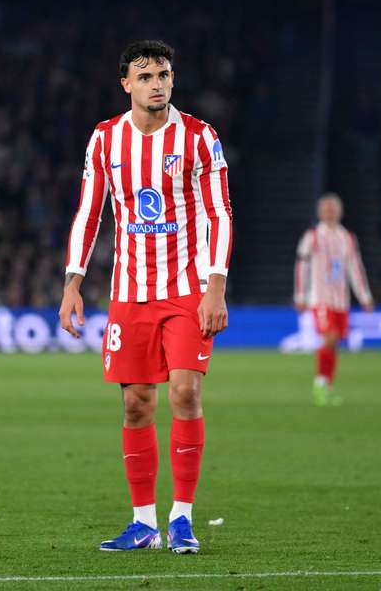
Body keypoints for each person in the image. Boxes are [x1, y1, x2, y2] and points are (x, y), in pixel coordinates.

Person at [59, 40, 232, 554]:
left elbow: (220, 213)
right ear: (126, 84)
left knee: (185, 393)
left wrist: (215, 288)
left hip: (187, 290)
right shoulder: (106, 139)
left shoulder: (200, 138)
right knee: (136, 404)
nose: (157, 83)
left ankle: (181, 517)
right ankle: (143, 522)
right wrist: (72, 282)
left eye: (164, 74)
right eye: (147, 75)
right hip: (129, 294)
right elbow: (89, 212)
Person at [293, 194, 373, 406]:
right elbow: (302, 266)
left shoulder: (347, 238)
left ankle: (326, 386)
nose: (329, 212)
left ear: (340, 211)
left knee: (334, 342)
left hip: (341, 301)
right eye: (326, 208)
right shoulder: (312, 236)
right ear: (319, 212)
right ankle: (320, 385)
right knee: (329, 337)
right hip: (320, 298)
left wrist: (365, 296)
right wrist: (300, 295)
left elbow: (355, 268)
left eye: (333, 208)